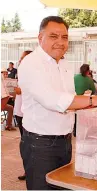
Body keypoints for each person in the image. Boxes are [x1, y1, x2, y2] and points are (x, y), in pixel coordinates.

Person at [18, 16, 97, 190]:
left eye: (64, 37)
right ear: (40, 37)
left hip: (64, 141)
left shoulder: (65, 63)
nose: (60, 42)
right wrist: (93, 99)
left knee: (61, 186)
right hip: (40, 144)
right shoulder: (31, 63)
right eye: (53, 36)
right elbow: (53, 100)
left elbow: (69, 99)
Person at [13, 50, 32, 181]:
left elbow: (36, 92)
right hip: (19, 111)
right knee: (24, 144)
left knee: (29, 143)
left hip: (28, 112)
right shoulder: (20, 74)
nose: (20, 61)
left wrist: (22, 91)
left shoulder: (34, 74)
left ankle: (30, 171)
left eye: (23, 59)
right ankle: (28, 169)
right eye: (20, 59)